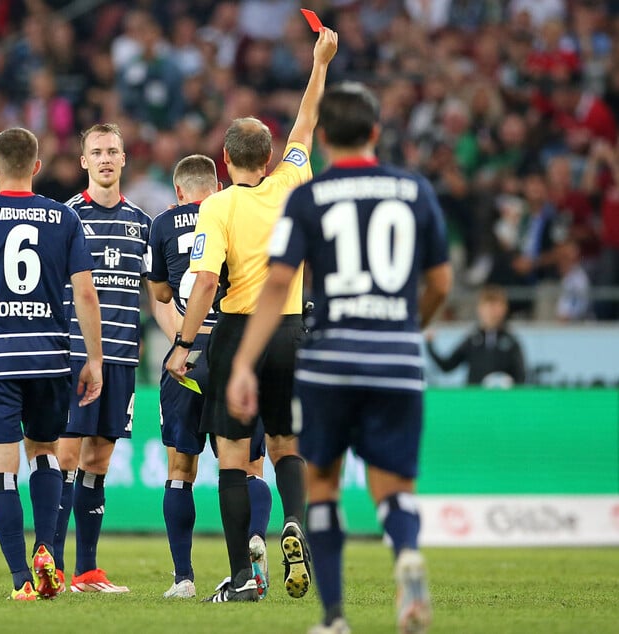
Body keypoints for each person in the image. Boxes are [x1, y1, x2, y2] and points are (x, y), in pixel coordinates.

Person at [226, 82, 453, 634]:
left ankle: (333, 618)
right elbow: (441, 283)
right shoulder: (414, 190)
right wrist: (409, 326)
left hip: (329, 359)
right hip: (397, 357)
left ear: (325, 138)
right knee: (394, 487)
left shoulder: (309, 195)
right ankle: (406, 555)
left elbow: (279, 285)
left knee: (321, 485)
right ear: (376, 132)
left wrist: (241, 362)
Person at [166, 27, 338, 603]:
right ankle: (293, 522)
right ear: (269, 157)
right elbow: (307, 120)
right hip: (291, 329)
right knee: (287, 445)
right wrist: (320, 62)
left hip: (238, 331)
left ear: (224, 160)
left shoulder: (216, 206)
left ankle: (242, 577)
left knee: (234, 459)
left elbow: (207, 278)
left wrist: (183, 344)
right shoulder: (292, 179)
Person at [0, 127, 103, 601]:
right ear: (36, 166)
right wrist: (94, 358)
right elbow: (86, 292)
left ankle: (21, 580)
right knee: (45, 452)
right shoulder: (64, 219)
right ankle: (46, 547)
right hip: (49, 359)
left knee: (1, 469)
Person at [148, 154, 273, 600]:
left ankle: (183, 578)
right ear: (218, 185)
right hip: (234, 355)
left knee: (180, 471)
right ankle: (254, 544)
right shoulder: (234, 211)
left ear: (179, 192)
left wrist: (181, 340)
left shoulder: (162, 225)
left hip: (188, 358)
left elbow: (161, 293)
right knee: (248, 467)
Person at [54, 123, 152, 593]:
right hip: (75, 356)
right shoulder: (66, 218)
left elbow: (155, 293)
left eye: (113, 151)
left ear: (124, 159)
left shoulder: (141, 224)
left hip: (122, 361)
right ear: (84, 161)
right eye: (97, 152)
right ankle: (49, 565)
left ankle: (86, 571)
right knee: (67, 455)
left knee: (100, 459)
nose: (106, 158)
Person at [426, 285, 526, 386]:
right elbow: (447, 366)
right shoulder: (473, 339)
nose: (493, 312)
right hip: (475, 399)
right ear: (480, 309)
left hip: (501, 399)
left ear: (504, 309)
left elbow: (520, 376)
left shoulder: (511, 341)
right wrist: (430, 344)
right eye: (489, 306)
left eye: (497, 306)